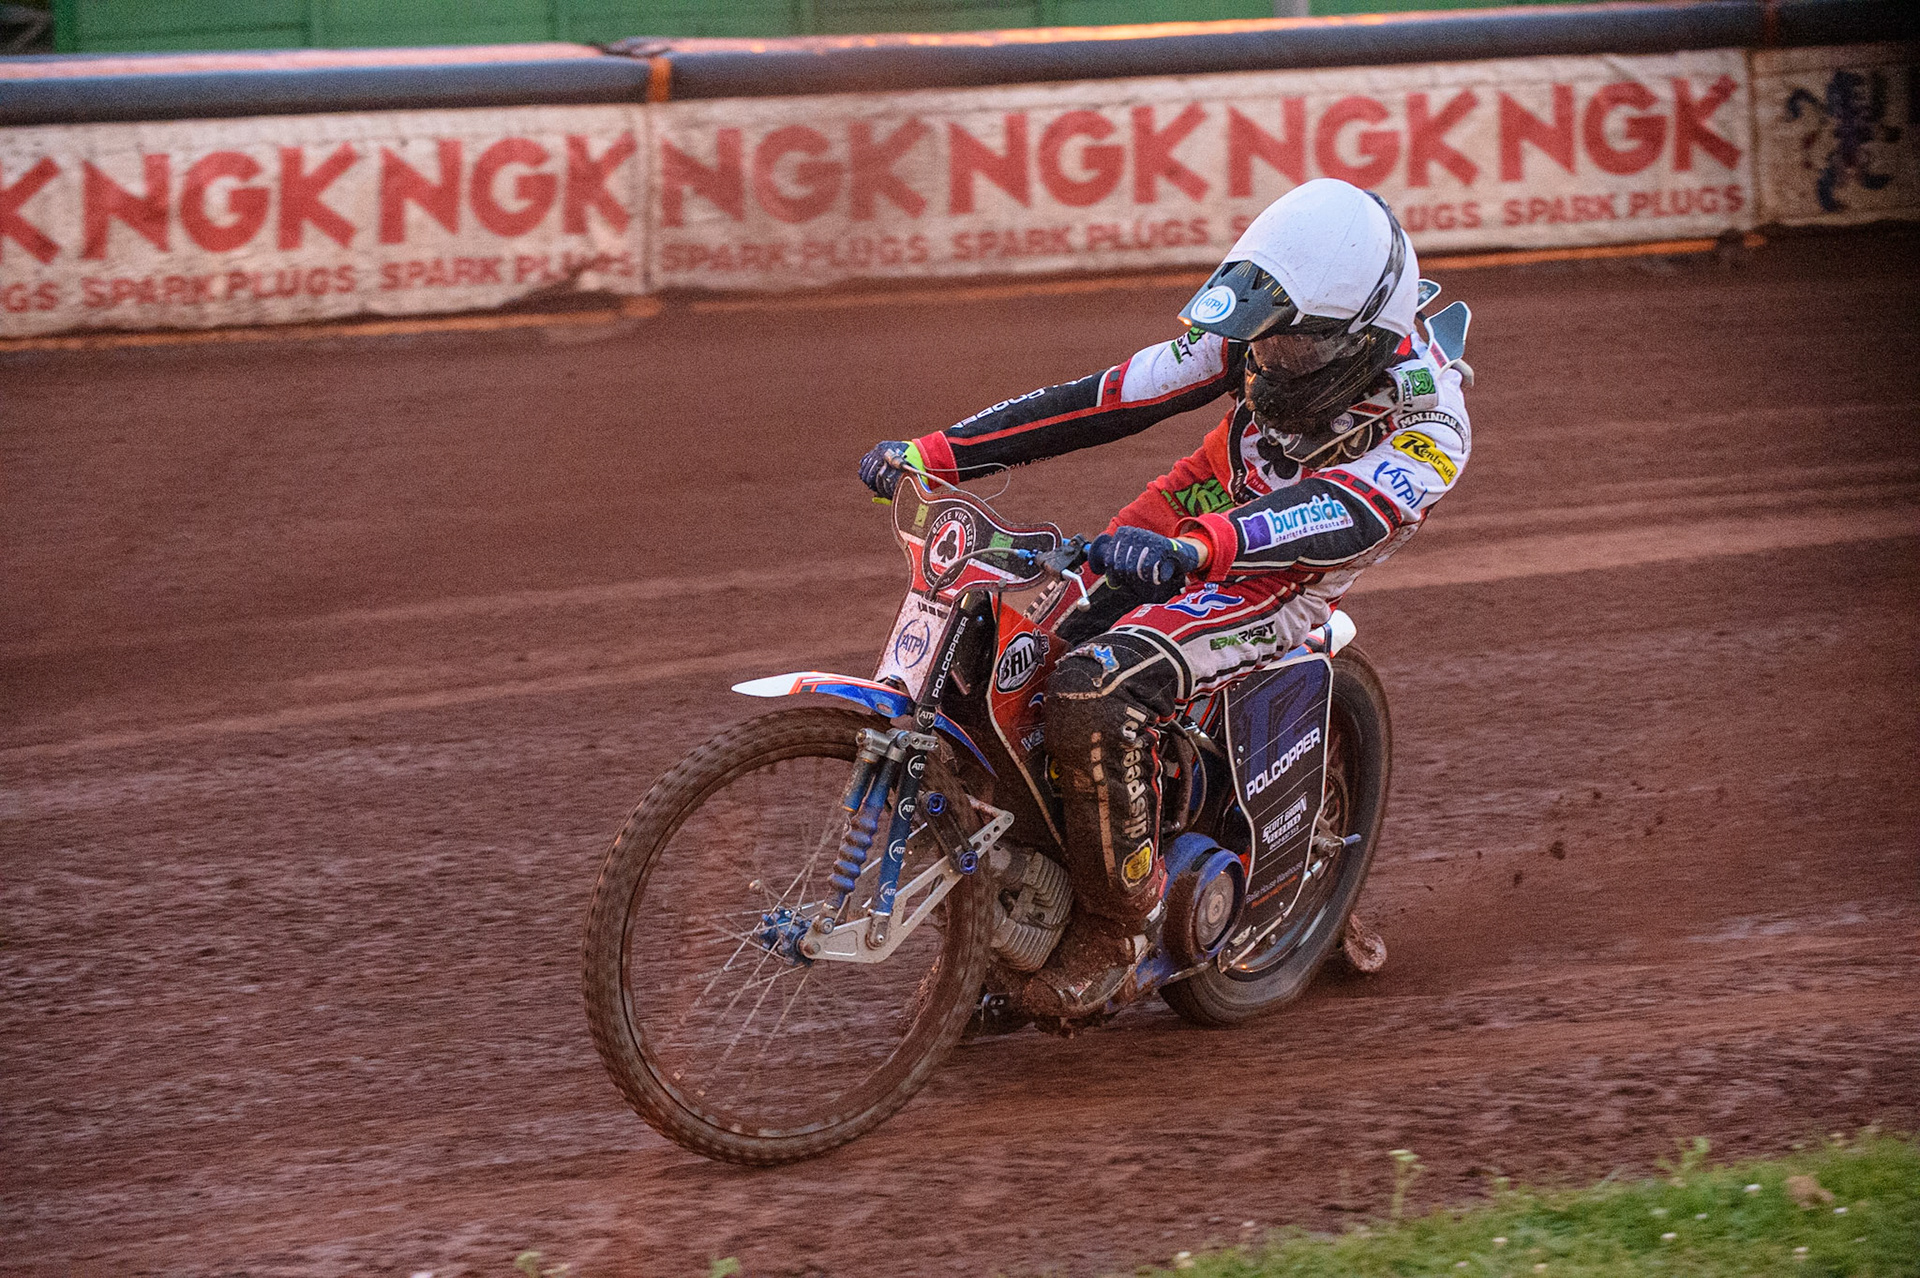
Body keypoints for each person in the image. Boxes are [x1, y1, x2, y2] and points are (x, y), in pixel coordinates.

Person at [858, 178, 1471, 1018]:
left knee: (1098, 687)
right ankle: (1006, 920)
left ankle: (1117, 927)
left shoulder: (1432, 425)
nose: (1269, 361)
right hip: (1199, 506)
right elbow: (1113, 395)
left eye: (1295, 351)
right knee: (1010, 668)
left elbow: (1340, 513)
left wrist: (1196, 549)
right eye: (1265, 342)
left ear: (1359, 338)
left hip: (1282, 574)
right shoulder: (1263, 326)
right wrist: (937, 453)